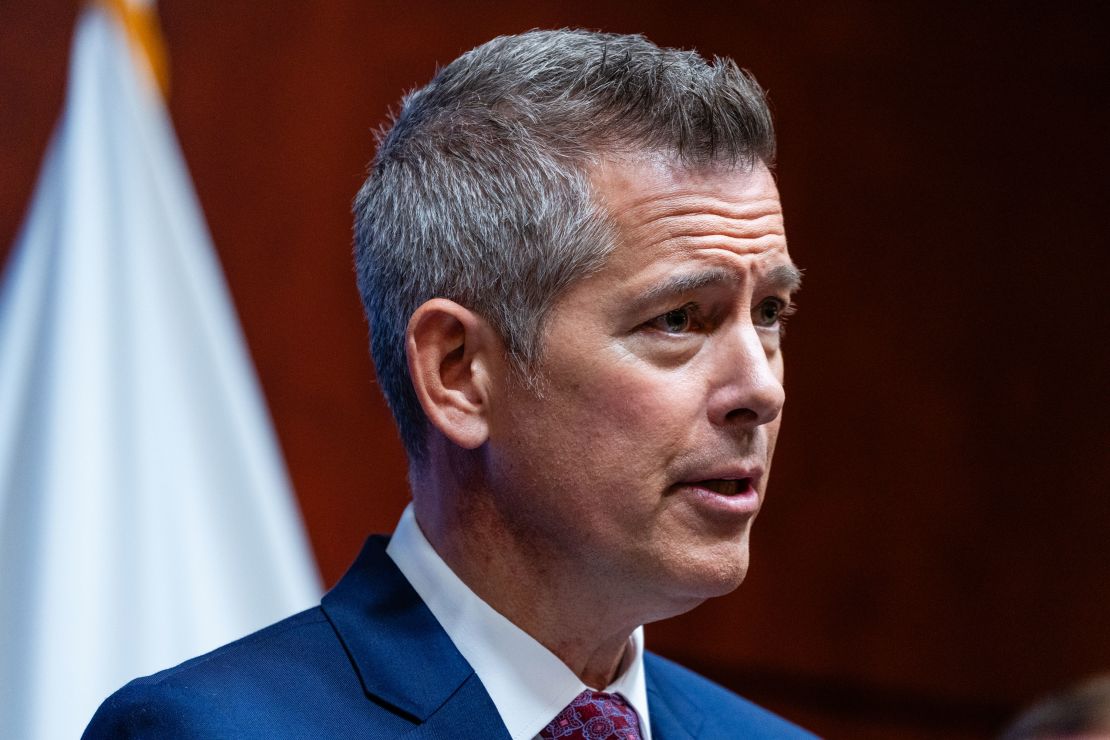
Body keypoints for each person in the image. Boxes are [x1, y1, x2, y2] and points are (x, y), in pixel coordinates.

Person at [85, 29, 813, 739]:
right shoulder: (208, 731)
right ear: (458, 372)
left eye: (771, 312)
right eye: (679, 318)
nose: (762, 389)